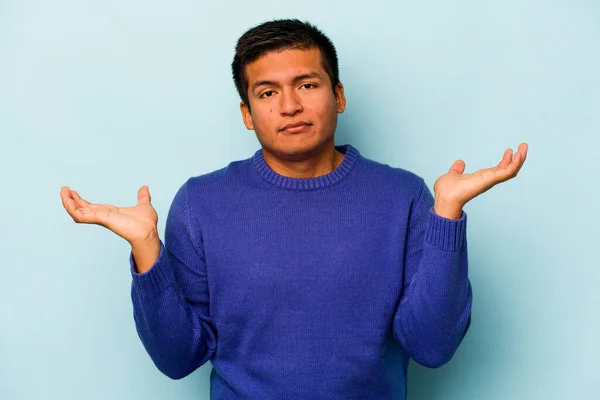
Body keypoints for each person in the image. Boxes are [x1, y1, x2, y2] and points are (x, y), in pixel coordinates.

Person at [60, 18, 528, 400]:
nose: (289, 106)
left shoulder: (402, 195)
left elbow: (432, 346)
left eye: (307, 84)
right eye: (266, 93)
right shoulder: (201, 202)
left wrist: (446, 213)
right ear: (247, 114)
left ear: (338, 96)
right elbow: (177, 358)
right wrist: (146, 249)